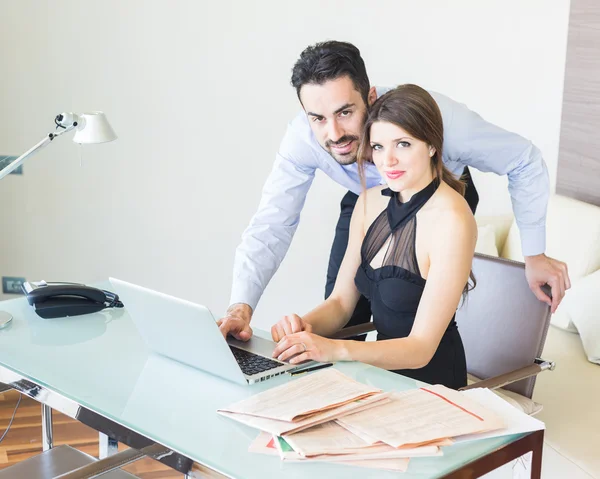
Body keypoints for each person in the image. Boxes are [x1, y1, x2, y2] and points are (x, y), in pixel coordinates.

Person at [218, 41, 570, 342]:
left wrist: (534, 254)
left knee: (404, 316)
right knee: (341, 314)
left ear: (370, 97)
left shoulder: (441, 119)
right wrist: (241, 306)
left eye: (345, 112)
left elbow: (523, 159)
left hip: (437, 194)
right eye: (318, 118)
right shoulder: (301, 139)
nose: (334, 132)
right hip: (367, 199)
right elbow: (272, 223)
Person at [271, 84, 474, 389]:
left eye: (402, 144)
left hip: (433, 387)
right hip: (378, 378)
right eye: (378, 147)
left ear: (432, 144)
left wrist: (337, 349)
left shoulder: (453, 220)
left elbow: (421, 348)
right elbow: (341, 303)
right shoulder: (368, 202)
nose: (387, 161)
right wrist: (303, 328)